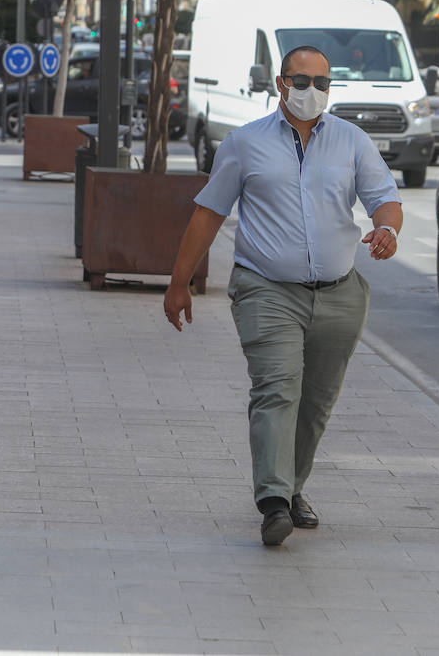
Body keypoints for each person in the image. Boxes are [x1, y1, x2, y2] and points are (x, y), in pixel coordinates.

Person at [163, 46, 403, 548]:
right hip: (266, 290)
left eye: (321, 82)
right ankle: (273, 501)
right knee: (277, 389)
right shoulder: (244, 144)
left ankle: (292, 488)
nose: (311, 91)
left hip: (339, 294)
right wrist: (179, 282)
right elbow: (209, 213)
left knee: (315, 402)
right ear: (280, 83)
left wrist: (387, 230)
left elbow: (385, 198)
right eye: (301, 80)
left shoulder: (352, 141)